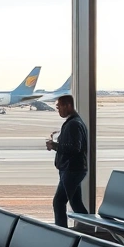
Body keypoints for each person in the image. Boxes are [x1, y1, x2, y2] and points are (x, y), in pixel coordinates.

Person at [46, 94, 89, 228]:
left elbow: (75, 148)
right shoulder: (75, 122)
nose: (58, 110)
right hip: (73, 169)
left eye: (59, 107)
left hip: (71, 169)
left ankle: (62, 233)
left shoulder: (74, 124)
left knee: (58, 202)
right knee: (76, 203)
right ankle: (88, 230)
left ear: (68, 106)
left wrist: (55, 146)